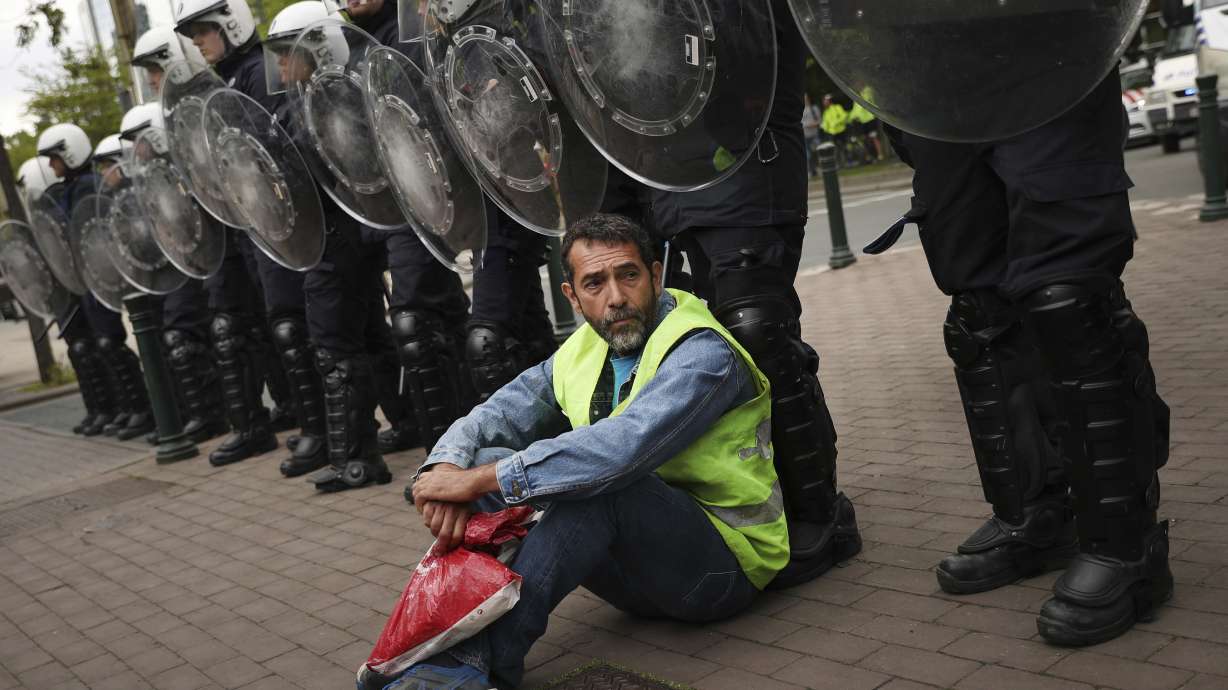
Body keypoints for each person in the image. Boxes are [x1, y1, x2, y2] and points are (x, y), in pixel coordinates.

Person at [377, 214, 786, 690]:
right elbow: (497, 413)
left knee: (596, 485)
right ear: (571, 295)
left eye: (628, 275)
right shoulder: (583, 348)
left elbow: (621, 450)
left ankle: (480, 665)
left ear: (655, 276)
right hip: (638, 577)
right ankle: (439, 636)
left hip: (720, 571)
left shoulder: (703, 352)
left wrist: (481, 479)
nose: (615, 297)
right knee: (480, 455)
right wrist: (445, 467)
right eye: (595, 282)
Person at [874, 69, 1172, 646]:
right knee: (979, 312)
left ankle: (1125, 545)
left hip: (1045, 47)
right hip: (934, 69)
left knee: (1069, 300)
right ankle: (1033, 517)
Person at [649, 0, 860, 590]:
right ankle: (745, 505)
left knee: (756, 329)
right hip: (662, 174)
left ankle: (819, 512)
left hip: (748, 152)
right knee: (696, 348)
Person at [262, 1, 394, 491]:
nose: (278, 65)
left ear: (317, 47)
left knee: (336, 345)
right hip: (332, 240)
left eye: (285, 53)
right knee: (356, 339)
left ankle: (359, 458)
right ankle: (372, 443)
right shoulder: (306, 98)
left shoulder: (333, 97)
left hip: (336, 240)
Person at [175, 0, 303, 467]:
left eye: (202, 34)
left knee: (296, 325)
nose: (198, 45)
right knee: (275, 324)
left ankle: (328, 432)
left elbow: (268, 149)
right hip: (250, 224)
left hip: (277, 224)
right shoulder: (223, 82)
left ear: (230, 24)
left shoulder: (255, 73)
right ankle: (311, 426)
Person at [127, 29, 227, 446]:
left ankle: (246, 417)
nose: (152, 79)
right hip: (200, 245)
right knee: (228, 329)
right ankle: (224, 418)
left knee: (255, 328)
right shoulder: (171, 110)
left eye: (154, 68)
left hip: (225, 233)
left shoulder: (208, 92)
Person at [36, 123, 155, 441]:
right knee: (96, 346)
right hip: (86, 279)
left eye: (53, 158)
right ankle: (120, 409)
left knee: (107, 342)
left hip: (101, 275)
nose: (50, 165)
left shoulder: (88, 185)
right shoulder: (70, 189)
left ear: (68, 152)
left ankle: (140, 409)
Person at [16, 155, 115, 437]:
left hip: (78, 287)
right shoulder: (46, 207)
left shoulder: (65, 199)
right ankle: (99, 410)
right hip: (65, 290)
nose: (51, 166)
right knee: (78, 350)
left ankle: (119, 408)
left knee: (95, 346)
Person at [820, 93, 849, 166]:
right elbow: (825, 123)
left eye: (825, 101)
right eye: (824, 101)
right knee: (834, 149)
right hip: (832, 133)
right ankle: (837, 164)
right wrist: (824, 128)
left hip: (841, 131)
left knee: (843, 148)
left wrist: (836, 122)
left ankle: (845, 162)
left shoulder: (837, 107)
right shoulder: (826, 112)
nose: (824, 102)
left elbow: (844, 116)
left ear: (829, 101)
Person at [802, 93, 822, 177]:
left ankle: (818, 169)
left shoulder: (814, 109)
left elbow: (819, 121)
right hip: (805, 136)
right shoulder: (800, 110)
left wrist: (814, 124)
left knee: (817, 153)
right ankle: (810, 171)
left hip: (814, 135)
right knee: (807, 155)